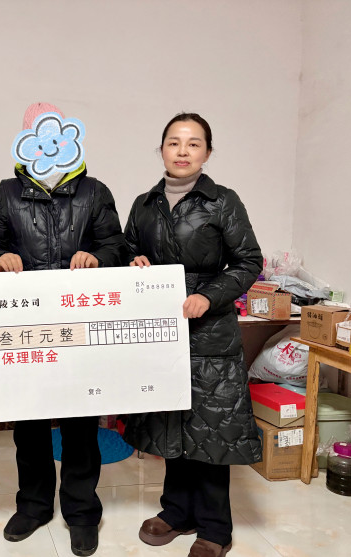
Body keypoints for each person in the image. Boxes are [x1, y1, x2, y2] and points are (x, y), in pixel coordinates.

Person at [0, 102, 126, 557]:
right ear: (25, 142)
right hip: (28, 328)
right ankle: (34, 506)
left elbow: (116, 245)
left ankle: (82, 512)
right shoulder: (6, 194)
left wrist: (98, 257)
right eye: (36, 137)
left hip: (81, 327)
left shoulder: (94, 192)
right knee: (30, 424)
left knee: (81, 425)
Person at [122, 113, 263, 557]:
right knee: (170, 423)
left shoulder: (223, 201)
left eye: (193, 143)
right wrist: (134, 262)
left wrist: (209, 295)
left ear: (207, 152)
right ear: (162, 149)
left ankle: (216, 529)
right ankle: (177, 512)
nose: (182, 151)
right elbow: (126, 249)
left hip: (210, 330)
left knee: (211, 428)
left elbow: (249, 261)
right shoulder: (144, 203)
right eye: (174, 142)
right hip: (160, 327)